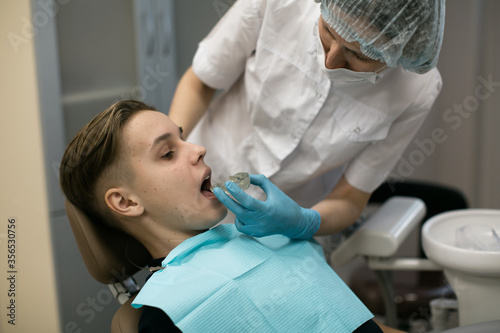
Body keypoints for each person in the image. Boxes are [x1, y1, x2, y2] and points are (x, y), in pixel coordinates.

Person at [59, 100, 404, 332]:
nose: (198, 148)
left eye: (184, 139)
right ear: (126, 202)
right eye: (167, 154)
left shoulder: (265, 234)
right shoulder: (167, 315)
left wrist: (301, 223)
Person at [168, 0, 446, 239]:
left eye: (358, 54)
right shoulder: (280, 5)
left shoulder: (415, 91)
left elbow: (350, 198)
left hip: (287, 224)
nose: (331, 60)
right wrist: (172, 156)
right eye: (327, 31)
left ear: (400, 51)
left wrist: (302, 221)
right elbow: (201, 82)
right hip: (201, 176)